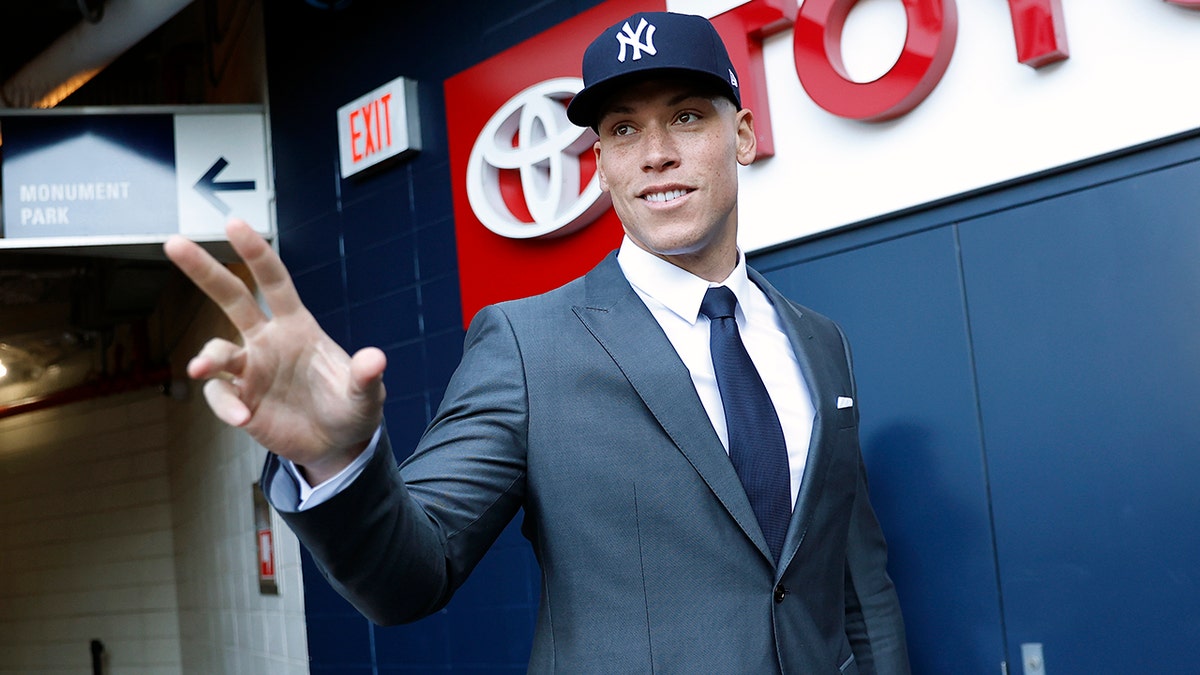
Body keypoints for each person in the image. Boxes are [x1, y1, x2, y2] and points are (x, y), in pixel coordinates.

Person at [164, 11, 909, 674]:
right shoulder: (527, 344)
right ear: (602, 161)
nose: (655, 153)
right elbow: (412, 577)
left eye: (686, 117)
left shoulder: (818, 342)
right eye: (622, 129)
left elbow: (855, 578)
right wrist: (336, 460)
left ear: (740, 134)